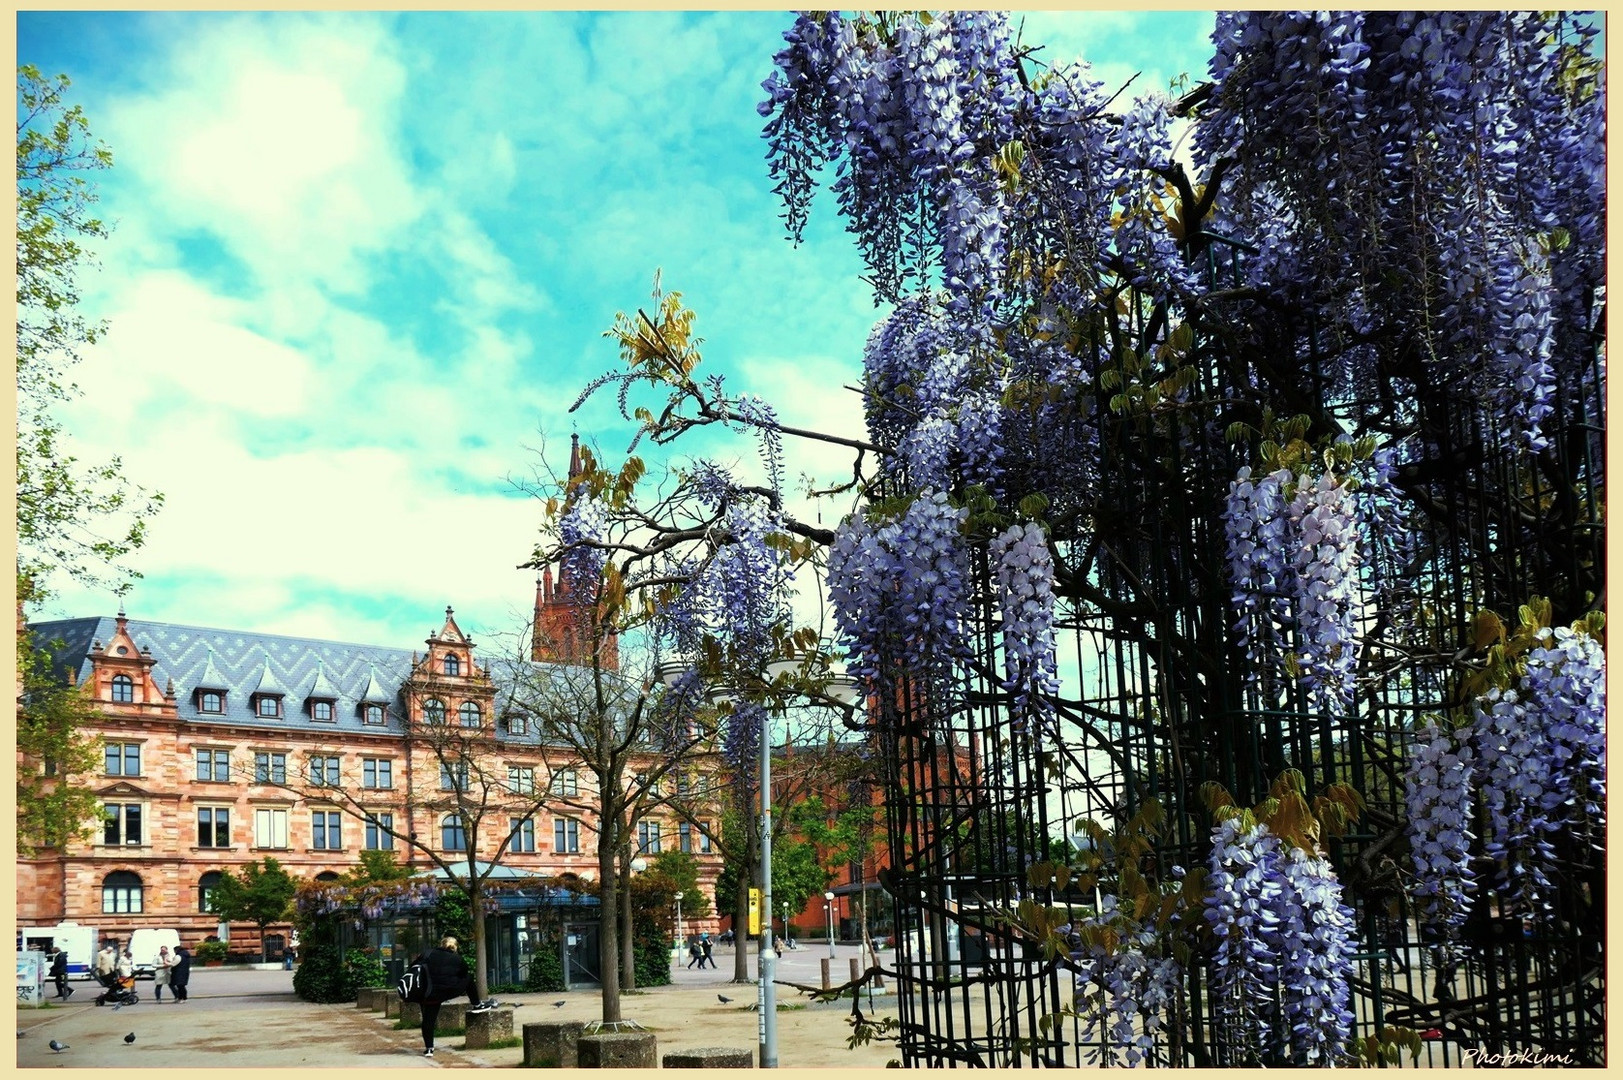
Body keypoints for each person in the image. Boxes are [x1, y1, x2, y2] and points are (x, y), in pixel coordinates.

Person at [418, 936, 472, 1057]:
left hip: (426, 992)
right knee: (469, 978)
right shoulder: (457, 958)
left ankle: (429, 1048)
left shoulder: (428, 954)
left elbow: (415, 967)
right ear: (455, 946)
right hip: (446, 991)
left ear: (441, 945)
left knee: (428, 1019)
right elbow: (464, 973)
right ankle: (477, 1003)